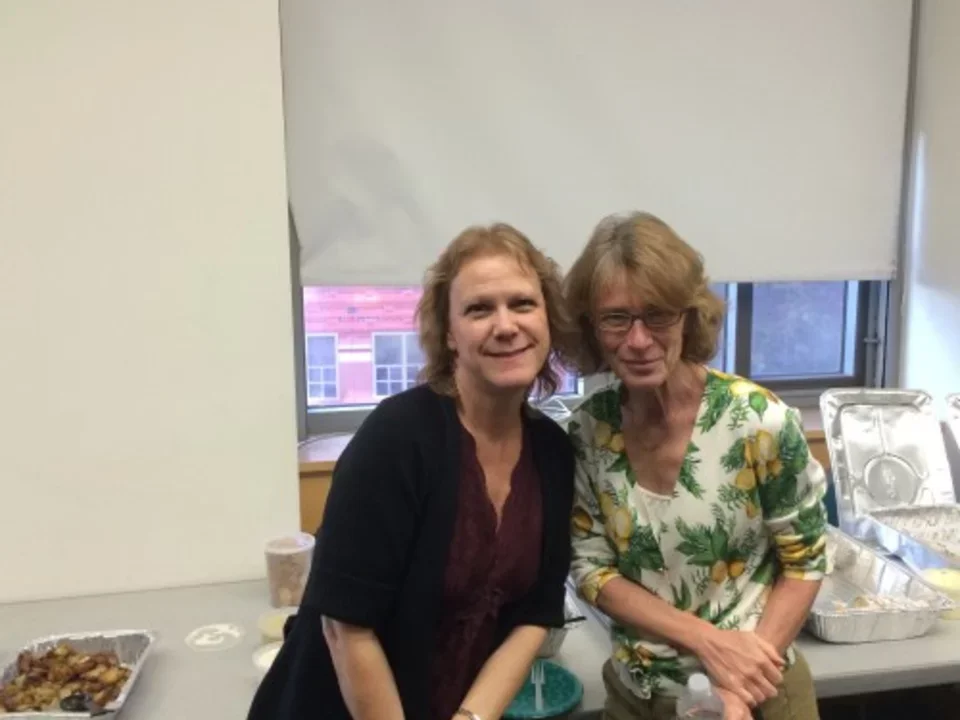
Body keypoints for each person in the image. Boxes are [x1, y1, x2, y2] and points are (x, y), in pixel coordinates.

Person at [247, 223, 578, 720]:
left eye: (523, 303)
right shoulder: (399, 437)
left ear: (548, 318)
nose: (505, 324)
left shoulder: (552, 452)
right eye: (479, 309)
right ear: (448, 334)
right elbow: (345, 626)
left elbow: (536, 612)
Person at [565, 212, 827, 720]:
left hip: (758, 696)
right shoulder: (589, 431)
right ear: (592, 329)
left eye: (658, 315)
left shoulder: (758, 421)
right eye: (616, 318)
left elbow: (806, 562)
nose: (638, 340)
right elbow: (591, 569)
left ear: (689, 316)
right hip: (635, 698)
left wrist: (738, 686)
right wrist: (708, 642)